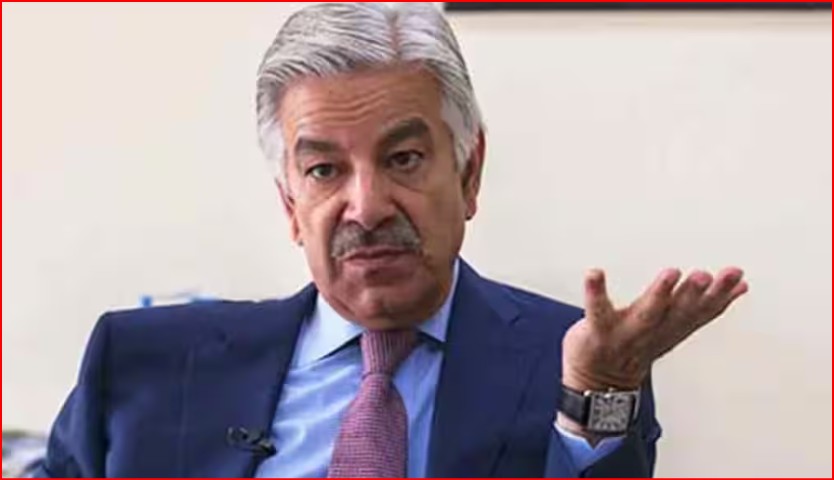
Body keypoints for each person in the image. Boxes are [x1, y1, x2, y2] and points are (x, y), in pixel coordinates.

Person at [35, 3, 748, 478]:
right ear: (290, 203)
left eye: (403, 159)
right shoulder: (143, 365)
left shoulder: (578, 363)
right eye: (324, 170)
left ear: (469, 173)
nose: (368, 207)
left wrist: (600, 394)